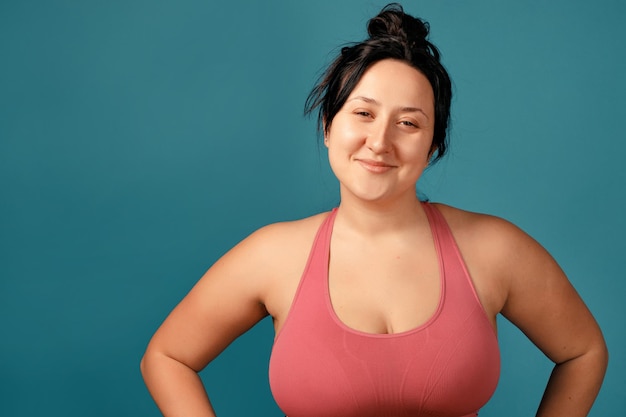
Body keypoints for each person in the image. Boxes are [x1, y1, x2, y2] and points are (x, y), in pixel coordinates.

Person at [140, 3, 608, 416]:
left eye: (408, 123)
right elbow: (167, 357)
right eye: (363, 114)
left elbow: (583, 351)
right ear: (328, 126)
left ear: (432, 147)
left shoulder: (494, 249)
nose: (380, 142)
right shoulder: (272, 255)